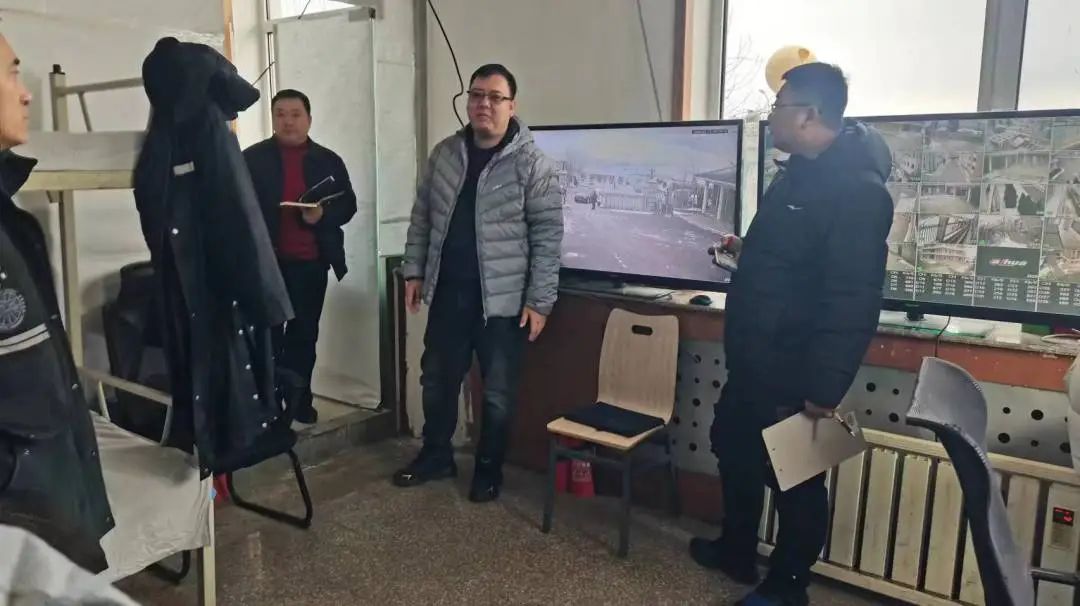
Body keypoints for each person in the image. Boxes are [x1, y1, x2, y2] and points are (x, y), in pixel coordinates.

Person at [690, 63, 893, 606]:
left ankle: (787, 586)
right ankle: (736, 548)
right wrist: (746, 252)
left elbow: (852, 299)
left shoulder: (859, 193)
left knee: (797, 480)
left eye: (779, 106)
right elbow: (794, 260)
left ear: (809, 115)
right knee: (733, 448)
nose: (771, 116)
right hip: (754, 359)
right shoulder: (797, 174)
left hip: (797, 369)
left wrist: (825, 389)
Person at [396, 64, 563, 503]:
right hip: (448, 293)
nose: (483, 104)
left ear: (512, 105)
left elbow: (548, 237)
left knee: (498, 395)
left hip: (503, 304)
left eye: (494, 96)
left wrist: (540, 301)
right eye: (476, 95)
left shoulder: (533, 165)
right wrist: (414, 270)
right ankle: (436, 455)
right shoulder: (445, 154)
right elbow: (422, 217)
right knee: (437, 381)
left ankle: (488, 470)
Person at [0, 33, 114, 572]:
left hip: (49, 498)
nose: (27, 93)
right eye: (11, 73)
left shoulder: (10, 218)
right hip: (23, 511)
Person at [244, 89, 357, 424]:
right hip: (265, 265)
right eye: (280, 114)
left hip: (310, 264)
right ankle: (267, 404)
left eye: (295, 114)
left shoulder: (328, 160)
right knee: (267, 337)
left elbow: (348, 204)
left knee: (304, 335)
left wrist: (322, 214)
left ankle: (299, 400)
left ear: (309, 119)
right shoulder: (252, 159)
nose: (288, 121)